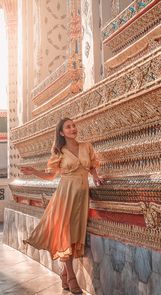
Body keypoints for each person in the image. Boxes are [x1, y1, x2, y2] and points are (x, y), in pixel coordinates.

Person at [21, 118, 103, 294]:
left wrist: (95, 177)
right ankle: (72, 277)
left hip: (81, 197)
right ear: (61, 133)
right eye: (68, 127)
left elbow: (92, 166)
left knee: (74, 234)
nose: (73, 128)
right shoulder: (59, 152)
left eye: (74, 126)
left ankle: (64, 273)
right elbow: (51, 176)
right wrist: (34, 172)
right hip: (65, 196)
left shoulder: (86, 146)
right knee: (66, 233)